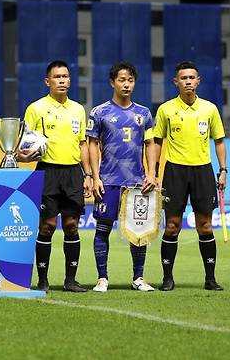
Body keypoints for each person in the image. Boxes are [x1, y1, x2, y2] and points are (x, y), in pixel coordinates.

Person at [16, 60, 93, 293]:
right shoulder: (36, 108)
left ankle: (70, 280)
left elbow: (83, 144)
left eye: (66, 76)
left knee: (72, 226)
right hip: (47, 172)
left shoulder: (78, 109)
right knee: (47, 226)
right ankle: (42, 280)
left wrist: (87, 174)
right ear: (47, 81)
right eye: (57, 77)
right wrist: (24, 155)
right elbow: (25, 143)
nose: (62, 80)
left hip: (72, 173)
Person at [153, 60, 227, 291]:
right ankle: (167, 278)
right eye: (183, 78)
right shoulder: (166, 109)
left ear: (198, 80)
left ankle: (210, 278)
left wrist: (223, 170)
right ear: (176, 82)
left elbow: (220, 141)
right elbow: (156, 141)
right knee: (172, 226)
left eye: (191, 77)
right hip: (174, 171)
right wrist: (154, 173)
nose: (188, 81)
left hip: (202, 170)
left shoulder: (210, 109)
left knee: (205, 226)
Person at [86, 62, 157, 293]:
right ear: (112, 82)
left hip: (137, 182)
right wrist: (95, 177)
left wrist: (152, 174)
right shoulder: (99, 112)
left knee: (139, 231)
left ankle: (138, 278)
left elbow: (150, 144)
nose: (126, 84)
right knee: (103, 229)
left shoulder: (144, 114)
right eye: (121, 80)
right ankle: (102, 278)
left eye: (130, 80)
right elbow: (92, 145)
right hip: (108, 180)